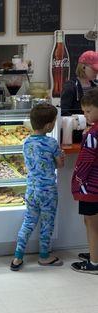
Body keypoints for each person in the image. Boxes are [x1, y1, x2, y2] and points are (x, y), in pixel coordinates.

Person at [10, 104, 65, 271]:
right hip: (48, 191)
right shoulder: (52, 142)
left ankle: (18, 257)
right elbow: (60, 165)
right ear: (48, 125)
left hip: (32, 190)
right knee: (47, 224)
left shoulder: (26, 142)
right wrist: (61, 157)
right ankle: (44, 257)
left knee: (28, 222)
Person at [71, 88, 98, 274]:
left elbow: (85, 163)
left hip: (90, 187)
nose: (85, 115)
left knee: (91, 222)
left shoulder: (92, 135)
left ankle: (94, 263)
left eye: (88, 111)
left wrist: (76, 181)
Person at [61, 51, 98, 116]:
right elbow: (63, 112)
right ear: (83, 67)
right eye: (94, 69)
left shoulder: (96, 86)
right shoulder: (70, 87)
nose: (96, 72)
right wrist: (81, 120)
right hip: (76, 125)